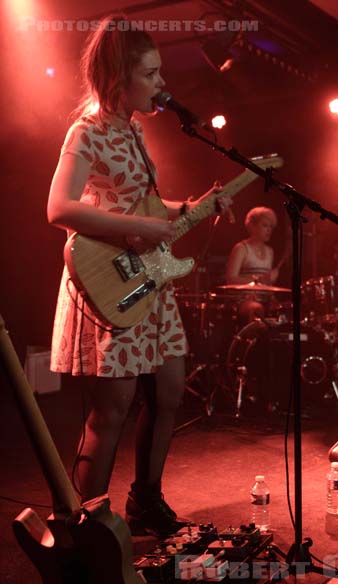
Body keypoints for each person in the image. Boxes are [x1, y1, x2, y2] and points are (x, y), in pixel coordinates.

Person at [47, 14, 232, 537]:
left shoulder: (133, 129)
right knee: (112, 410)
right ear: (117, 76)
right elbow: (58, 208)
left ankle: (145, 502)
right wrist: (140, 225)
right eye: (150, 74)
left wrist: (193, 206)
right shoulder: (85, 132)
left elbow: (145, 206)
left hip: (148, 277)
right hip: (111, 281)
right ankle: (84, 526)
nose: (161, 84)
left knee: (170, 389)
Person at [225, 206, 279, 323]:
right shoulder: (241, 248)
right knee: (256, 309)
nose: (269, 230)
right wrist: (258, 280)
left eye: (271, 227)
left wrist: (270, 281)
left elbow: (266, 284)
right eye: (265, 225)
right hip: (243, 301)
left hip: (264, 299)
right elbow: (230, 280)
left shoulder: (270, 251)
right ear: (252, 226)